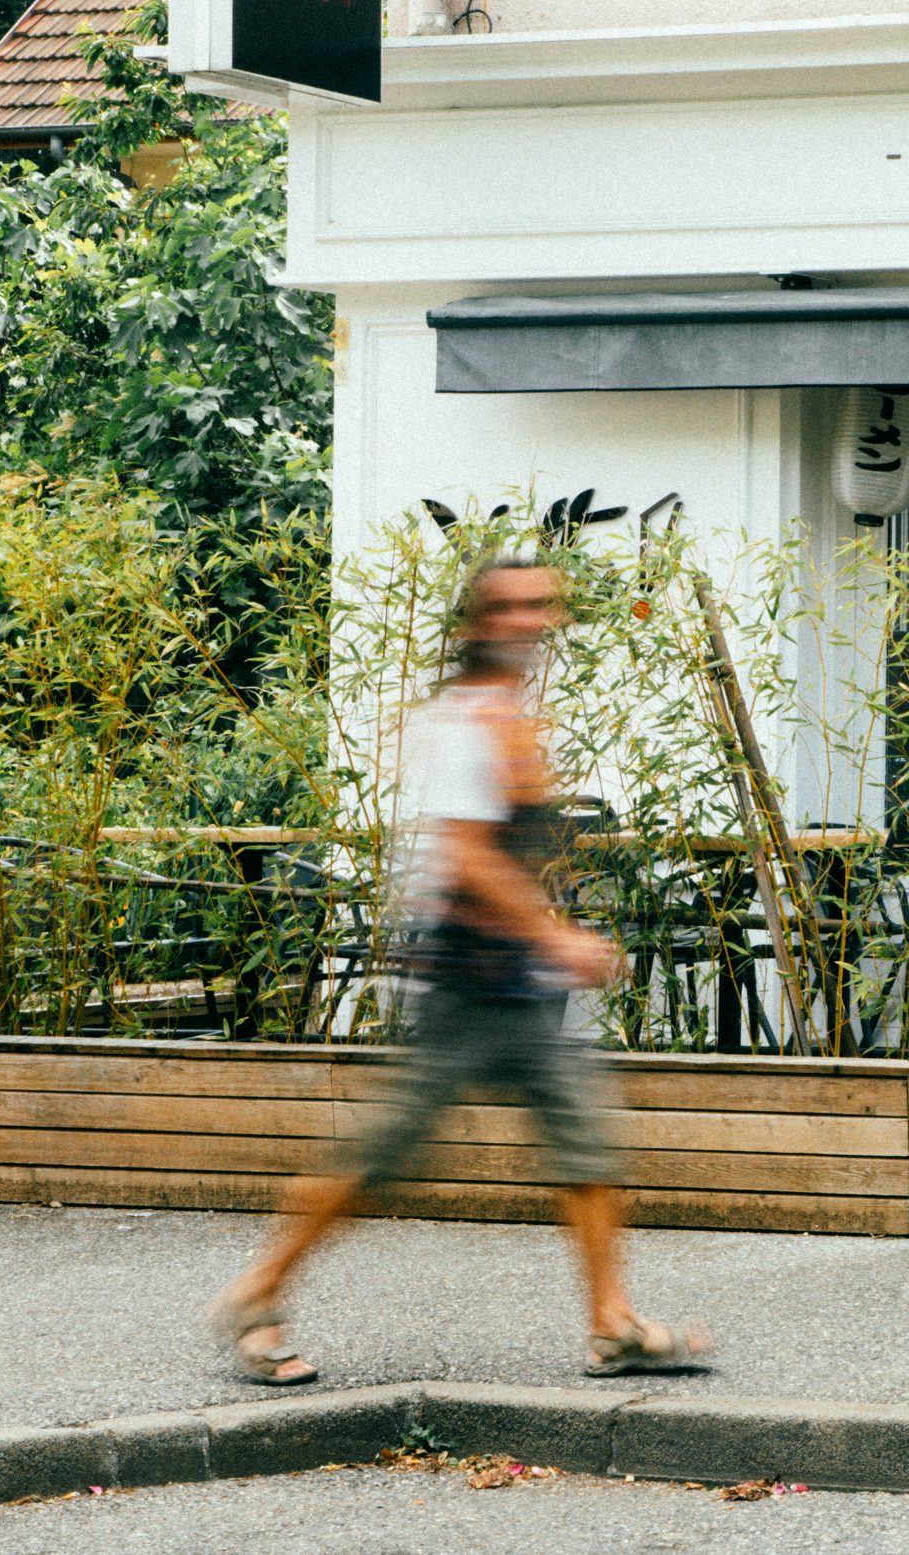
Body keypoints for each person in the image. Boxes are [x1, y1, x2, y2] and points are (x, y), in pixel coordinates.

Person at [210, 558, 711, 1385]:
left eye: (542, 606)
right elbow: (469, 857)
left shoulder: (510, 713)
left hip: (518, 982)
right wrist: (559, 937)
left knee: (585, 1138)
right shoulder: (464, 720)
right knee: (383, 1152)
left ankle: (612, 1322)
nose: (530, 621)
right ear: (478, 622)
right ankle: (256, 1292)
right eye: (510, 607)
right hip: (467, 983)